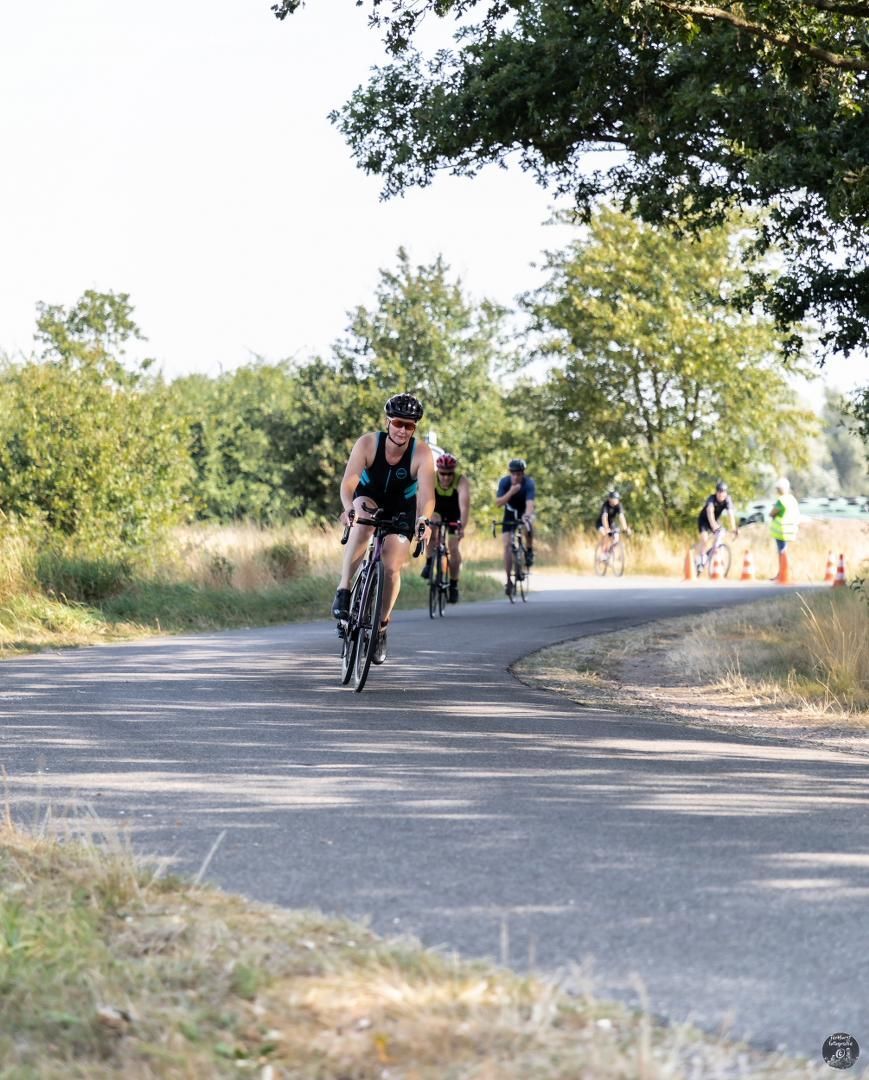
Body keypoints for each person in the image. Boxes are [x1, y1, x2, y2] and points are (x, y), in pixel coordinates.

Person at [331, 394, 435, 663]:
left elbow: (426, 495)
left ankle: (381, 627)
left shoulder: (421, 453)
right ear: (388, 422)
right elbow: (348, 485)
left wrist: (424, 519)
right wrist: (348, 507)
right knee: (363, 522)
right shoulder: (368, 443)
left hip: (402, 507)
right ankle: (343, 590)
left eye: (409, 426)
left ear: (414, 428)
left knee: (391, 567)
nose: (403, 430)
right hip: (369, 498)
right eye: (399, 423)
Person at [421, 452, 471, 603]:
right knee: (432, 527)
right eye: (442, 473)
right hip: (437, 510)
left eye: (450, 474)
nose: (446, 477)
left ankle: (454, 584)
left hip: (454, 514)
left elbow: (464, 506)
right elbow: (422, 500)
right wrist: (422, 520)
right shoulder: (431, 478)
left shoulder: (461, 481)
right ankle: (429, 563)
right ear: (438, 471)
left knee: (453, 548)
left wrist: (462, 526)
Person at [495, 457, 536, 596]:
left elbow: (530, 504)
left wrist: (527, 516)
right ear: (510, 473)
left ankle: (529, 551)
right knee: (506, 545)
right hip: (510, 513)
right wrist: (511, 492)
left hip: (524, 512)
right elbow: (498, 503)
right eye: (513, 473)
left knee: (528, 526)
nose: (516, 476)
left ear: (523, 474)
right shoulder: (505, 482)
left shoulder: (529, 483)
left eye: (519, 474)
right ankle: (508, 580)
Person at [694, 479, 738, 570]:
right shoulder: (711, 499)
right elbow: (710, 512)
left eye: (723, 492)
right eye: (719, 492)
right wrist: (714, 526)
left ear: (726, 493)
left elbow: (731, 514)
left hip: (715, 520)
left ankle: (715, 553)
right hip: (704, 520)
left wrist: (733, 528)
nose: (721, 494)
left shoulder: (727, 500)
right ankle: (700, 559)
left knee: (719, 536)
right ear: (716, 492)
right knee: (705, 540)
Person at [768, 476, 800, 580]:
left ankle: (782, 574)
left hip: (781, 530)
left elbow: (772, 513)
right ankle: (783, 573)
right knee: (785, 551)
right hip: (791, 529)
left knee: (782, 552)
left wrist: (772, 514)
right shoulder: (792, 499)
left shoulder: (781, 500)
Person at [597, 490, 630, 554]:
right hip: (601, 523)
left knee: (616, 536)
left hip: (611, 523)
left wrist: (625, 528)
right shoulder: (605, 505)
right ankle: (604, 553)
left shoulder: (619, 505)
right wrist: (606, 528)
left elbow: (621, 517)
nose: (616, 501)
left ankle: (611, 552)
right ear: (610, 499)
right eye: (614, 499)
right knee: (605, 534)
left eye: (617, 499)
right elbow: (604, 518)